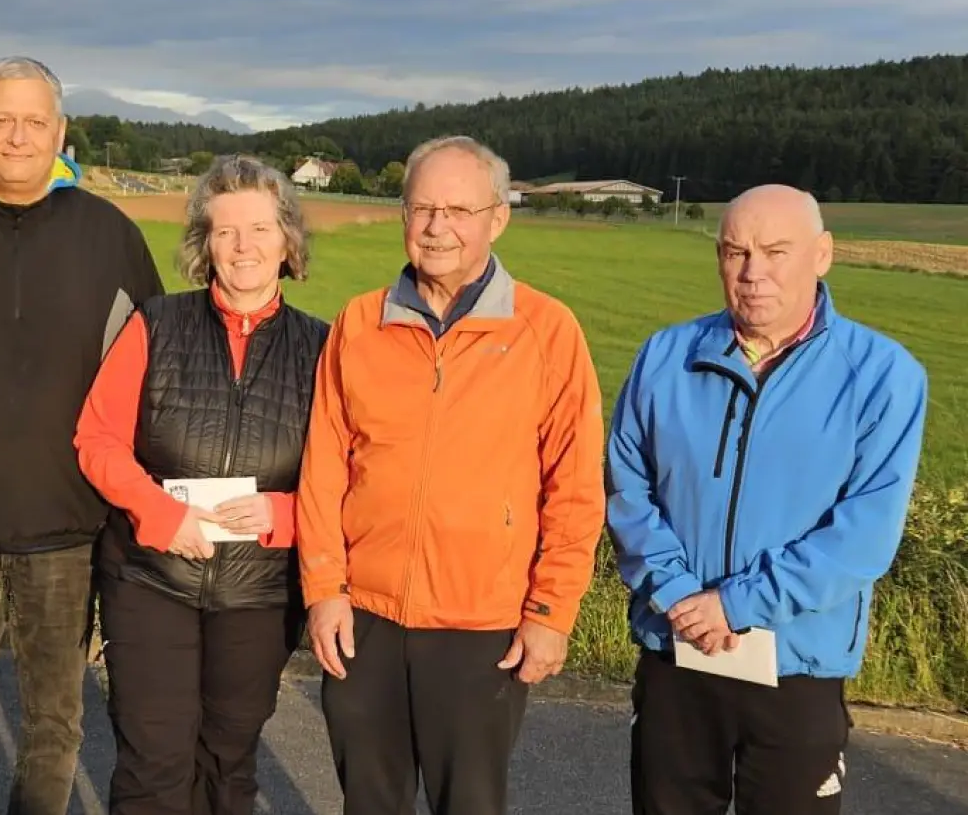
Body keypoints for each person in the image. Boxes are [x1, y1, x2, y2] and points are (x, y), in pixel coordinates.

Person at [295, 135, 605, 815]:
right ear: (404, 216)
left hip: (482, 627)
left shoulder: (546, 331)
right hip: (364, 620)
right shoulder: (359, 324)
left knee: (469, 804)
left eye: (458, 210)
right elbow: (322, 469)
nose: (437, 227)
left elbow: (575, 488)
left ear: (498, 218)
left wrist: (551, 612)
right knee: (369, 802)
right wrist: (323, 587)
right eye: (422, 208)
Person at [605, 184, 928, 815]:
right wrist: (675, 594)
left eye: (776, 252)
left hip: (797, 662)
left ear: (823, 254)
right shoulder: (666, 358)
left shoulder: (883, 376)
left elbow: (862, 534)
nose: (753, 273)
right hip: (676, 649)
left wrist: (735, 603)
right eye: (734, 252)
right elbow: (626, 486)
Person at [0, 55, 164, 815]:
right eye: (2, 120)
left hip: (67, 524)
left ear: (61, 132)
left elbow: (149, 377)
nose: (18, 136)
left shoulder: (110, 234)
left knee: (55, 718)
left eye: (35, 121)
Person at [74, 155, 329, 814]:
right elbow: (97, 440)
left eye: (260, 230)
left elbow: (349, 473)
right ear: (204, 245)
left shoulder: (323, 350)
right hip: (151, 577)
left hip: (260, 591)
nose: (243, 247)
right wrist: (160, 515)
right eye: (225, 232)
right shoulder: (155, 326)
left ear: (288, 241)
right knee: (153, 765)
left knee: (227, 762)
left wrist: (286, 513)